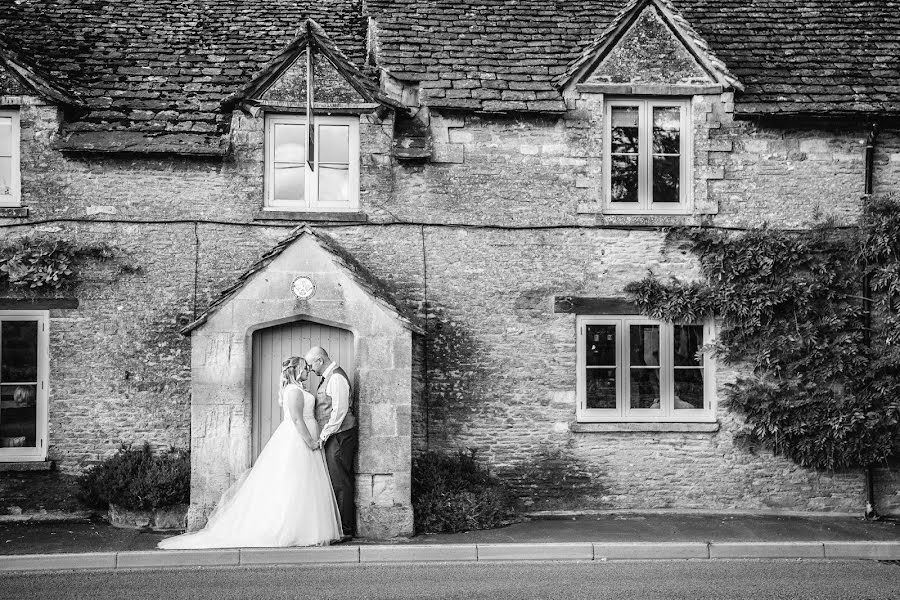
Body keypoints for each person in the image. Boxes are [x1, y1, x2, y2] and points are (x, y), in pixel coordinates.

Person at [158, 357, 342, 549]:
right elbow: (297, 420)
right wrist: (311, 441)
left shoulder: (298, 389)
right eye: (305, 368)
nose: (308, 371)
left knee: (307, 484)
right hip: (299, 439)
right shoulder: (294, 391)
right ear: (295, 370)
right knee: (296, 482)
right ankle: (292, 529)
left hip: (305, 437)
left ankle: (307, 528)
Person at [305, 346, 357, 540]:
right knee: (337, 480)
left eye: (311, 365)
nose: (311, 369)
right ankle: (340, 527)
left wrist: (324, 434)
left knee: (340, 481)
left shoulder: (336, 378)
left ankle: (346, 529)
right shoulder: (329, 377)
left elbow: (339, 411)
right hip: (336, 435)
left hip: (341, 435)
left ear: (320, 360)